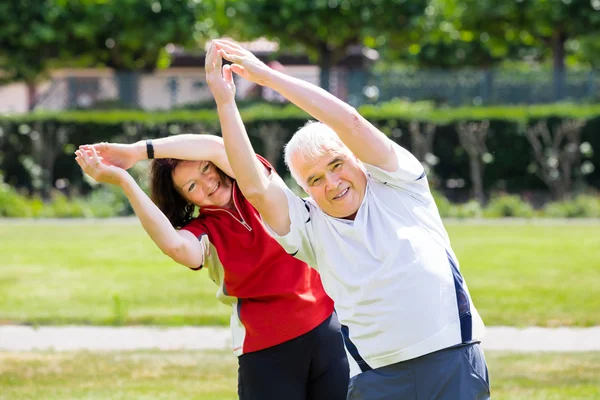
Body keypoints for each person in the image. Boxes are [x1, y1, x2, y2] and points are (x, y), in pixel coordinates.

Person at [210, 38, 491, 400]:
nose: (332, 183)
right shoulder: (308, 227)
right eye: (314, 179)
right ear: (306, 190)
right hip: (377, 378)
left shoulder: (399, 183)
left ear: (355, 159)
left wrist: (269, 78)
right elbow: (255, 187)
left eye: (336, 165)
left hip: (453, 360)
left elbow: (351, 122)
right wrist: (224, 101)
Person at [73, 45, 349, 400]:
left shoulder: (255, 185)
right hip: (267, 351)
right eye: (192, 186)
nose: (207, 182)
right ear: (184, 200)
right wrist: (126, 179)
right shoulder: (204, 232)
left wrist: (136, 152)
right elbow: (176, 247)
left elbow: (217, 147)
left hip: (327, 330)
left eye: (206, 170)